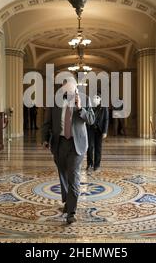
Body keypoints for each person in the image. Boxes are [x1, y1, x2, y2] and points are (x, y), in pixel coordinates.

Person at [42, 81, 95, 224]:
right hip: (59, 143)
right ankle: (68, 201)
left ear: (76, 89)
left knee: (73, 175)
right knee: (63, 174)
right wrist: (45, 139)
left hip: (77, 144)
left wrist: (80, 108)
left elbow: (91, 120)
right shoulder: (55, 101)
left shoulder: (85, 99)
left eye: (72, 91)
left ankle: (71, 212)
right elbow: (47, 122)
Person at [86, 94, 109, 172]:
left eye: (97, 98)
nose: (95, 99)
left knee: (98, 148)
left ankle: (97, 165)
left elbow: (106, 119)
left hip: (99, 130)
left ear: (100, 99)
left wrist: (105, 131)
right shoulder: (89, 106)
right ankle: (89, 164)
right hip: (90, 129)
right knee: (90, 147)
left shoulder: (104, 107)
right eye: (94, 97)